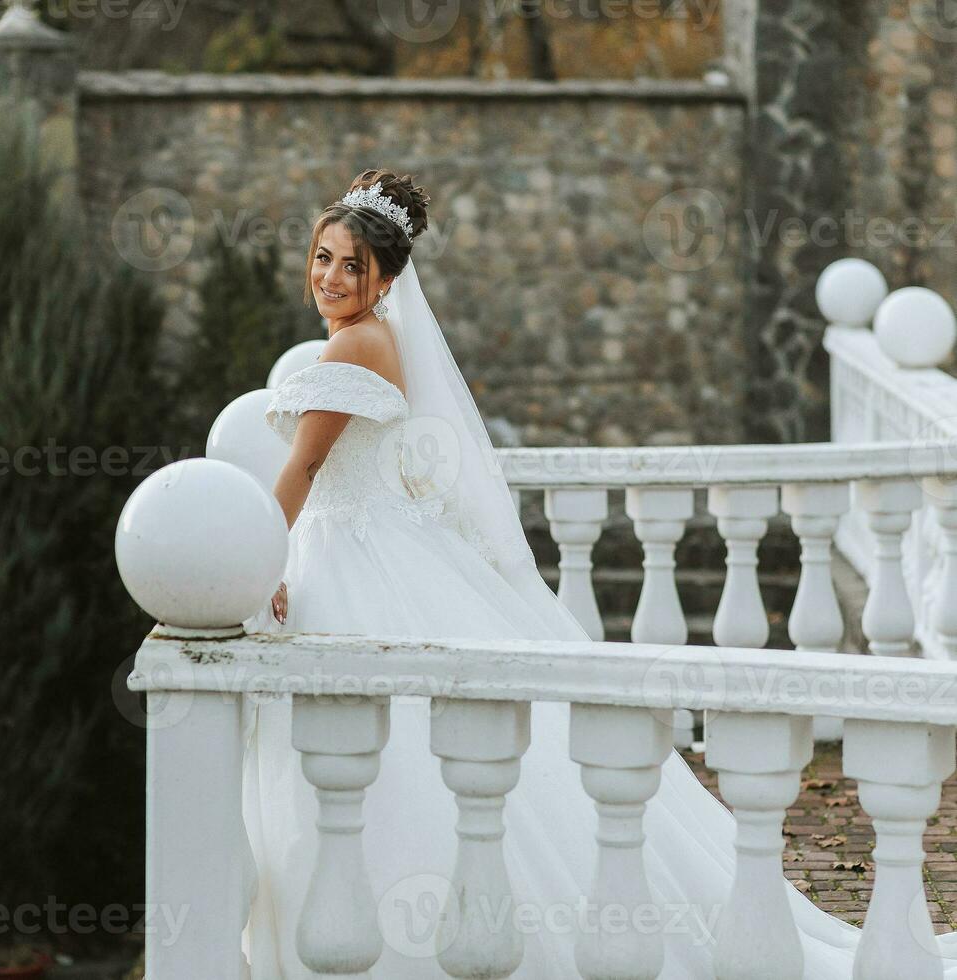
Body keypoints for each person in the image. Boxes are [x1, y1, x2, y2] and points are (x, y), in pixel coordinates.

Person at [237, 168, 953, 978]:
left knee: (388, 762)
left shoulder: (357, 343)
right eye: (322, 257)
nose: (330, 278)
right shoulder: (376, 339)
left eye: (351, 267)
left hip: (355, 560)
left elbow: (301, 471)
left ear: (388, 279)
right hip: (363, 553)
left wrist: (255, 559)